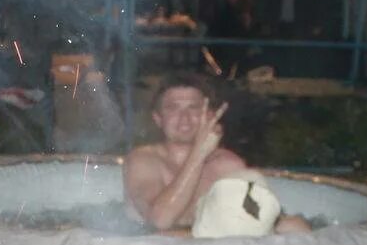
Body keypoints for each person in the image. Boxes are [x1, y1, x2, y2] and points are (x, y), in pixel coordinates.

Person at [124, 72, 311, 236]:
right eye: (173, 108)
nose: (184, 118)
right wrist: (199, 152)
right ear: (158, 119)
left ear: (210, 115)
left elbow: (265, 219)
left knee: (294, 227)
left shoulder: (226, 165)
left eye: (194, 108)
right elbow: (159, 221)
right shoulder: (143, 161)